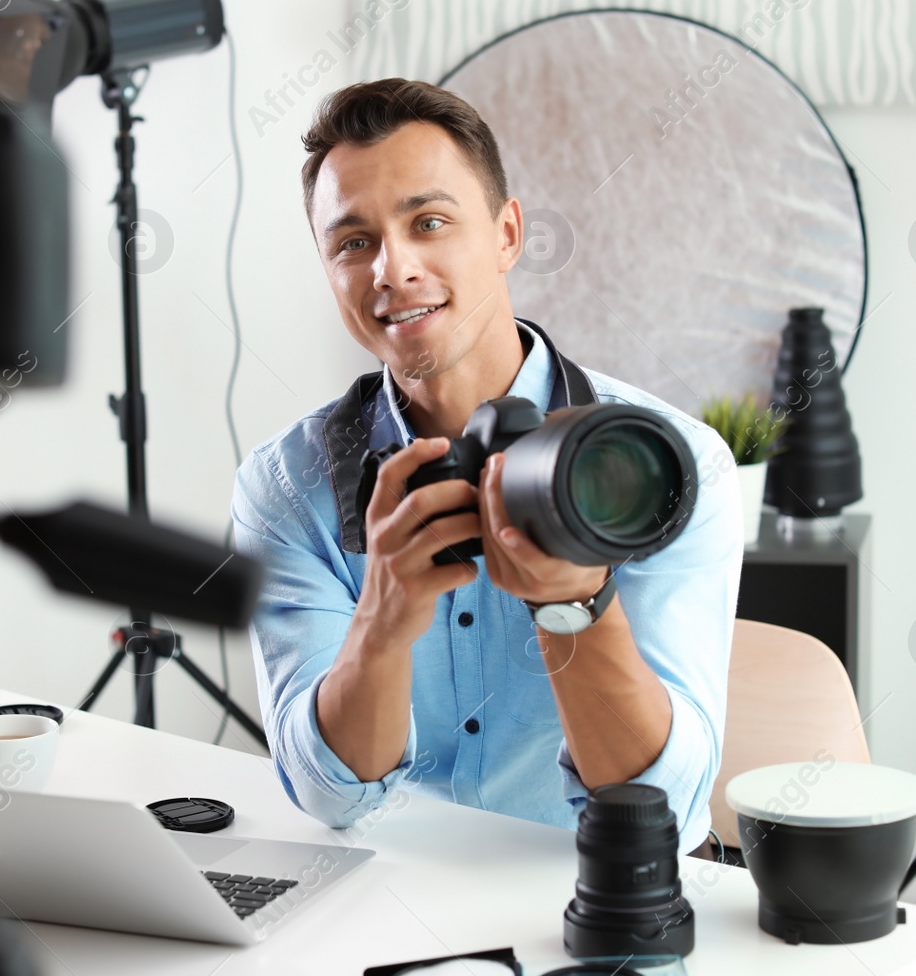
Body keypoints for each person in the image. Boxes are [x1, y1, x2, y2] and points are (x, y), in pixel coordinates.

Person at [230, 78, 741, 856]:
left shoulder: (671, 465)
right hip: (390, 892)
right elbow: (329, 797)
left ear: (507, 234)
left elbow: (661, 808)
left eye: (428, 222)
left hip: (600, 890)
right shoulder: (285, 488)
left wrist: (574, 604)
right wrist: (382, 620)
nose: (390, 270)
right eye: (352, 242)